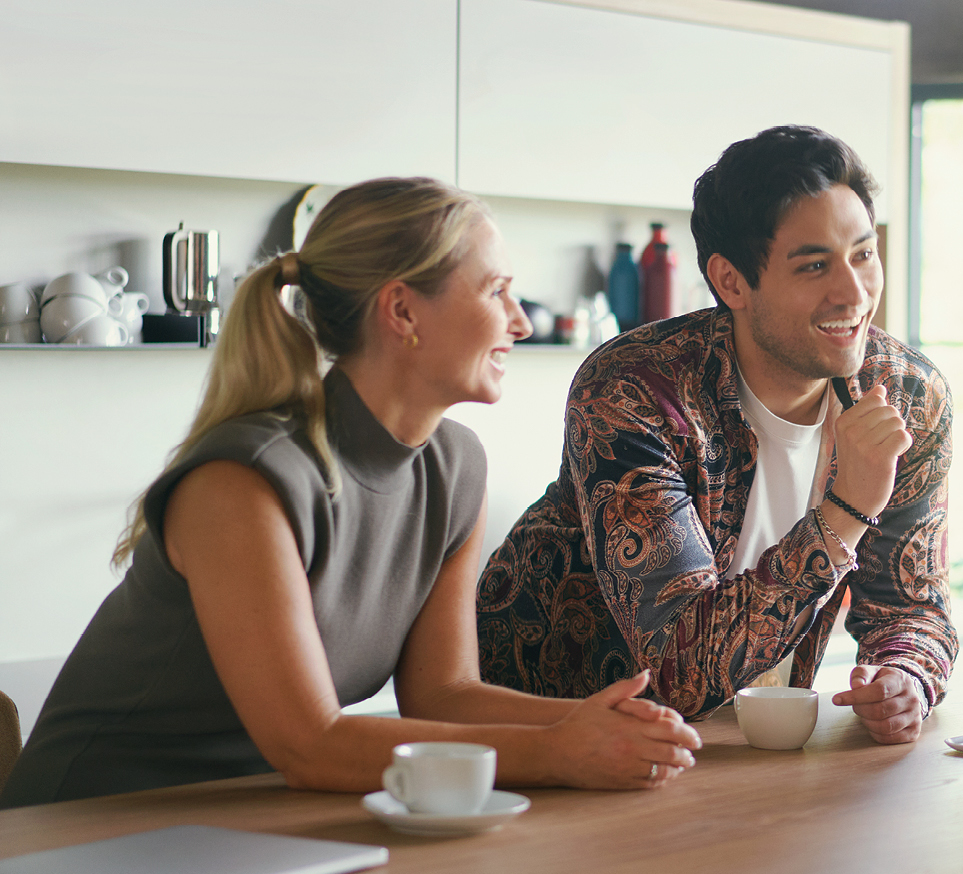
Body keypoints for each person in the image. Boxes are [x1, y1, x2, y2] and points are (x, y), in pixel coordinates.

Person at [1, 178, 702, 808]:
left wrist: (593, 722)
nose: (519, 321)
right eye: (496, 291)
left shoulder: (456, 468)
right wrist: (553, 752)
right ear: (402, 311)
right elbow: (309, 745)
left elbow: (442, 695)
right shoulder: (243, 482)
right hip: (90, 824)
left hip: (251, 814)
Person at [476, 126, 955, 741]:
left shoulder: (909, 396)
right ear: (731, 282)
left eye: (863, 254)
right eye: (814, 266)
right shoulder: (637, 390)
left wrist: (904, 677)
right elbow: (678, 671)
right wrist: (847, 510)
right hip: (546, 740)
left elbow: (912, 606)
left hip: (732, 746)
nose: (855, 292)